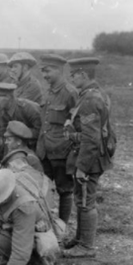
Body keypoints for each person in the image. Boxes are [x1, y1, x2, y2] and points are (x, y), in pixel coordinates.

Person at [62, 57, 113, 258]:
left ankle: (86, 246)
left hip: (89, 159)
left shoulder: (90, 99)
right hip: (92, 155)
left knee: (85, 200)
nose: (72, 78)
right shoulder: (95, 94)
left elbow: (91, 138)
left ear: (83, 74)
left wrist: (82, 166)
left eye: (73, 75)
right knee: (81, 198)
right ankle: (80, 239)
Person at [36, 54, 79, 224]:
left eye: (48, 71)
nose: (45, 75)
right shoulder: (48, 92)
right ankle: (47, 224)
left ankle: (62, 226)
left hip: (62, 151)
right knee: (44, 190)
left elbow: (78, 123)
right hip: (45, 151)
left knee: (64, 190)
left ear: (59, 70)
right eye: (43, 71)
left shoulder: (70, 93)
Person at [0, 82, 42, 150]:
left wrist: (22, 132)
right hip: (18, 147)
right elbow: (4, 133)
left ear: (8, 97)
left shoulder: (28, 108)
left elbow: (41, 132)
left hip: (36, 147)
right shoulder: (2, 111)